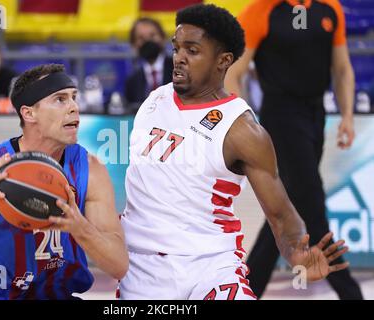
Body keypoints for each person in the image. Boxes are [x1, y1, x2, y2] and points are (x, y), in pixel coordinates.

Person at [118, 4, 349, 300]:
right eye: (176, 48)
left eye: (193, 50)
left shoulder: (242, 130)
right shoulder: (153, 101)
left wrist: (296, 253)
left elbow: (281, 214)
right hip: (142, 271)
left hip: (210, 269)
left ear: (223, 61)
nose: (179, 58)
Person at [0, 64, 129, 300]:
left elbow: (119, 266)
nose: (74, 107)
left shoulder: (90, 168)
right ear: (29, 113)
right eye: (60, 99)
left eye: (74, 98)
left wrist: (81, 228)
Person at [225, 0, 363, 299]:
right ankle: (350, 292)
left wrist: (348, 117)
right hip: (281, 115)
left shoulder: (330, 8)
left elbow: (342, 69)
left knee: (290, 205)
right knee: (311, 202)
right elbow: (235, 72)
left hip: (316, 114)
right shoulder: (263, 9)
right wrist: (244, 122)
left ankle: (246, 289)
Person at [124, 17, 173, 111]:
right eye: (141, 38)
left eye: (152, 35)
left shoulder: (179, 70)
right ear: (133, 45)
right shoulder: (132, 81)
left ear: (163, 38)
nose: (147, 41)